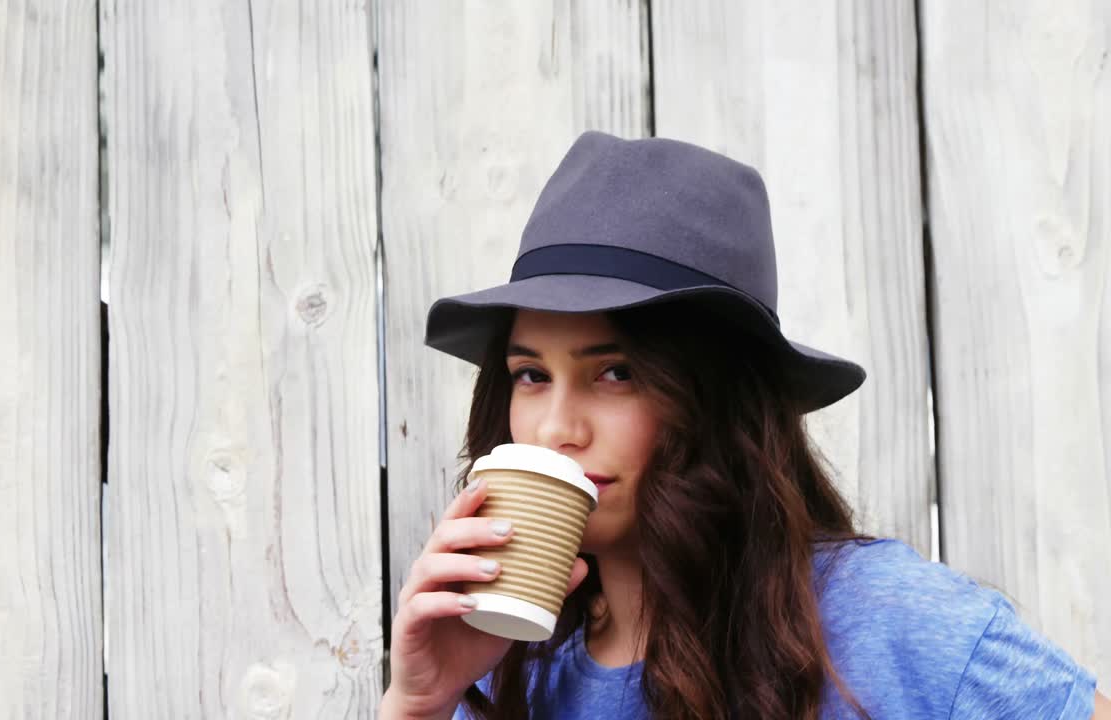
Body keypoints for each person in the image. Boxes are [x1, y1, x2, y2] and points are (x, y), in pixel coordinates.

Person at [378, 131, 1107, 719]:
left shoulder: (881, 618)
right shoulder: (513, 673)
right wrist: (419, 704)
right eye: (531, 375)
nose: (556, 429)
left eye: (616, 373)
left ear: (715, 398)